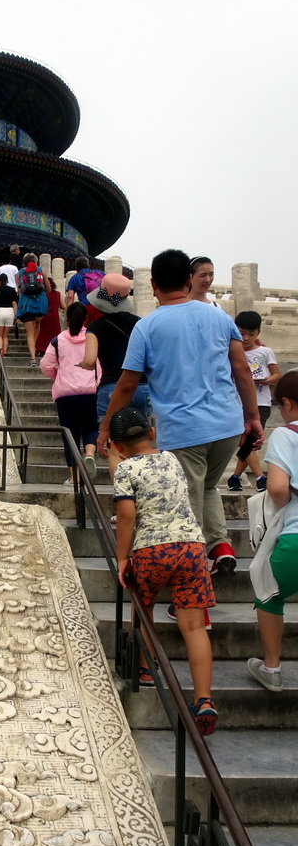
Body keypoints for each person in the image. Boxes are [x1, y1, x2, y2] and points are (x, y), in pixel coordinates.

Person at [97, 249, 262, 578]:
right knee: (208, 487)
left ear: (154, 284)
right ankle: (222, 546)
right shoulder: (219, 317)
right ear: (189, 280)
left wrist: (105, 428)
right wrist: (253, 418)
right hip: (227, 426)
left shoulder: (148, 327)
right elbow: (242, 369)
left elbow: (127, 385)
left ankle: (196, 601)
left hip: (185, 431)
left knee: (186, 513)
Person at [110, 407, 218, 735]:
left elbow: (127, 516)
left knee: (143, 610)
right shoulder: (172, 460)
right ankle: (204, 699)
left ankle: (145, 667)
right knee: (194, 627)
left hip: (151, 549)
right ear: (152, 433)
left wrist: (122, 558)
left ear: (116, 446)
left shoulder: (125, 469)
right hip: (191, 547)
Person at [247, 371, 298, 692]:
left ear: (287, 403)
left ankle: (272, 668)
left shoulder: (285, 434)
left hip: (295, 537)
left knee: (269, 593)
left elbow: (278, 488)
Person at [79, 273, 152, 428]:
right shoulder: (140, 322)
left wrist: (84, 364)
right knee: (140, 438)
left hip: (112, 386)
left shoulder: (95, 327)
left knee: (113, 440)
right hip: (143, 386)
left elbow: (90, 360)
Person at [40, 302, 99, 485]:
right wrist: (95, 382)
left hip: (66, 393)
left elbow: (45, 365)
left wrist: (57, 375)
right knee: (90, 428)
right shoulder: (92, 337)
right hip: (89, 390)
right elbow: (98, 364)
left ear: (67, 317)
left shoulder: (58, 340)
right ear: (85, 319)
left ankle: (74, 478)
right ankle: (89, 453)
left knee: (70, 435)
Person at [228, 311, 280, 492]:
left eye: (252, 334)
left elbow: (276, 374)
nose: (246, 338)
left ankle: (235, 477)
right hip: (238, 402)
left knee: (251, 442)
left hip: (262, 402)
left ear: (258, 333)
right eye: (242, 333)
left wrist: (267, 380)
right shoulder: (231, 351)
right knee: (246, 442)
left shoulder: (265, 352)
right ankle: (260, 477)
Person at [17, 254, 50, 367]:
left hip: (26, 302)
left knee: (29, 333)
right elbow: (48, 288)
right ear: (36, 261)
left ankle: (33, 358)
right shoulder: (41, 270)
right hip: (40, 301)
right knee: (38, 322)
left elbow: (20, 289)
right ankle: (34, 348)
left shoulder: (20, 272)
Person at [65, 256, 104, 325]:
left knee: (86, 331)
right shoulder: (100, 273)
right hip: (102, 306)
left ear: (76, 268)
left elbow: (70, 297)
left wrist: (69, 315)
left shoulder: (74, 278)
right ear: (88, 265)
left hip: (86, 308)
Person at [0, 274, 17, 357]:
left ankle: (0, 350)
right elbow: (14, 303)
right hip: (9, 311)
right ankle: (5, 352)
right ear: (7, 280)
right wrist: (15, 315)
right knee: (5, 336)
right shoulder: (12, 290)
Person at [36, 276, 62, 355]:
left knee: (43, 333)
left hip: (44, 315)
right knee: (54, 333)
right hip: (54, 316)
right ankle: (54, 348)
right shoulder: (58, 294)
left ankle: (41, 349)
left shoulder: (42, 295)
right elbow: (63, 306)